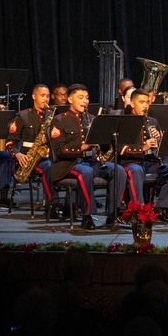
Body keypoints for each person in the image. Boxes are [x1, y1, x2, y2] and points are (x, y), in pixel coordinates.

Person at [49, 83, 128, 230]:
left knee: (118, 170)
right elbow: (59, 150)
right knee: (86, 172)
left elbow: (104, 145)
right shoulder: (59, 120)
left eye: (86, 98)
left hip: (90, 162)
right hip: (68, 165)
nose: (85, 101)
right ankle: (87, 216)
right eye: (80, 97)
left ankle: (113, 214)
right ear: (70, 99)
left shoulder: (92, 119)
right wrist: (83, 147)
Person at [117, 88, 168, 223]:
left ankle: (161, 209)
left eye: (147, 102)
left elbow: (160, 149)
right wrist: (143, 147)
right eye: (141, 102)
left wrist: (159, 140)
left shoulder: (153, 121)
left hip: (150, 162)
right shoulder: (124, 122)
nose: (145, 106)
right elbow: (120, 149)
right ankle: (138, 212)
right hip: (130, 162)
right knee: (136, 171)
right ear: (132, 104)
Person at [5, 84, 56, 214]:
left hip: (49, 156)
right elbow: (10, 141)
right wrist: (17, 154)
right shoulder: (22, 116)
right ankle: (52, 205)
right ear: (34, 96)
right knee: (49, 167)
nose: (46, 99)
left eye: (48, 96)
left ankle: (68, 206)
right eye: (42, 95)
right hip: (29, 158)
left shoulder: (53, 116)